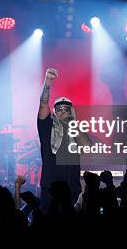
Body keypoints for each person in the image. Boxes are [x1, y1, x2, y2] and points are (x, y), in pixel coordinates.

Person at [37, 68, 90, 211]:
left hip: (71, 188)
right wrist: (48, 82)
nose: (63, 111)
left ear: (72, 112)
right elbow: (43, 104)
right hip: (50, 187)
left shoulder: (77, 129)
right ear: (54, 112)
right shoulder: (47, 127)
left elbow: (86, 147)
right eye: (59, 109)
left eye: (66, 109)